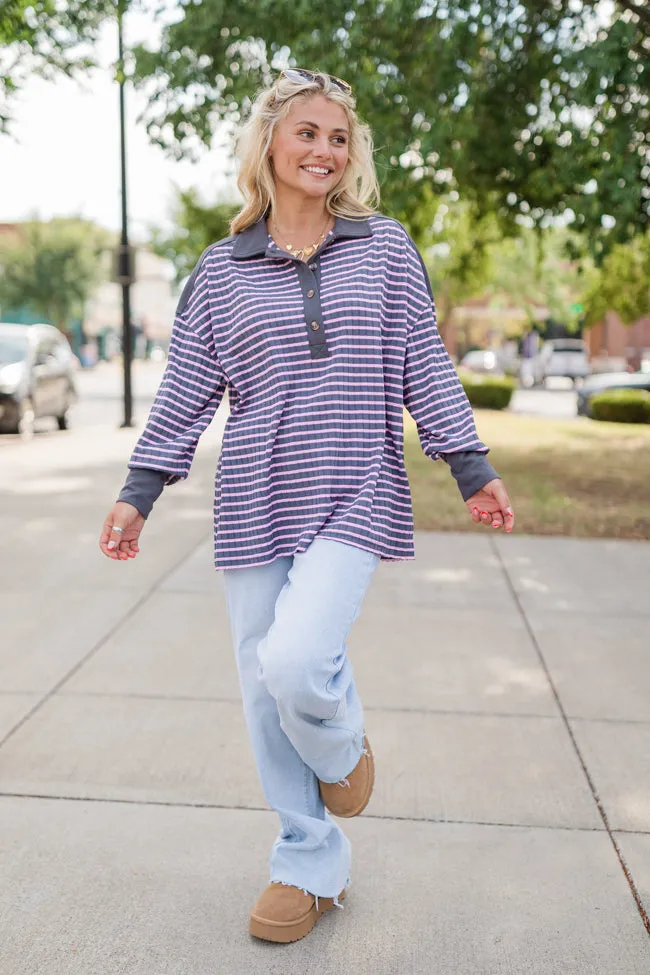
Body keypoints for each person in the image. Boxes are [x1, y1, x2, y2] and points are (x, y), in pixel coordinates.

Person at [99, 68, 515, 944]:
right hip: (253, 496)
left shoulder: (386, 247)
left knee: (295, 660)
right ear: (269, 146)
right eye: (307, 134)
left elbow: (421, 364)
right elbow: (184, 393)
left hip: (356, 487)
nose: (324, 149)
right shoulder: (219, 271)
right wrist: (140, 492)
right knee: (262, 685)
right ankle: (306, 859)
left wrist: (470, 464)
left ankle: (340, 750)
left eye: (338, 137)